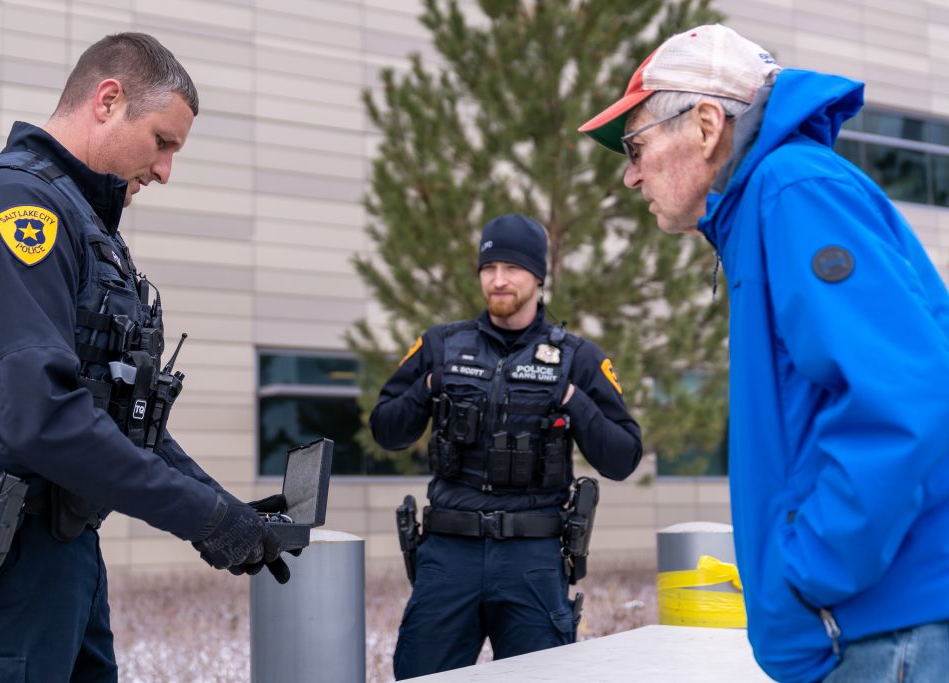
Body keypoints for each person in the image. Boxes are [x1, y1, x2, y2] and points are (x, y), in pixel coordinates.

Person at [579, 23, 949, 683]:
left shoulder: (792, 190)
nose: (631, 176)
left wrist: (810, 572)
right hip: (869, 626)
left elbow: (902, 397)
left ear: (706, 124)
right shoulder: (768, 203)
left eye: (635, 146)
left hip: (880, 627)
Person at [0, 33, 292, 681]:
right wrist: (201, 517)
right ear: (108, 100)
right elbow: (42, 418)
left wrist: (225, 507)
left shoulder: (86, 229)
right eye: (162, 142)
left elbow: (126, 423)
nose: (164, 171)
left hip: (57, 558)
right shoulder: (13, 207)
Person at [371, 213, 643, 679]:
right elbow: (386, 429)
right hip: (449, 553)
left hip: (532, 558)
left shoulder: (577, 357)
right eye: (489, 268)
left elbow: (623, 457)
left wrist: (574, 401)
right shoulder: (440, 345)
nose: (498, 281)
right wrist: (429, 385)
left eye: (512, 268)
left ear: (538, 276)